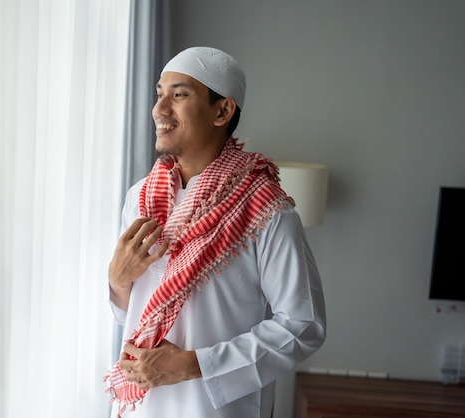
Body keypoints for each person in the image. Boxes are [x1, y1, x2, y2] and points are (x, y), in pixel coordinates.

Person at [105, 46, 326, 418]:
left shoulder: (268, 210)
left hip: (214, 407)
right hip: (141, 406)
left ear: (222, 110)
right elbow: (133, 313)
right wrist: (117, 281)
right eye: (159, 94)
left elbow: (303, 326)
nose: (160, 109)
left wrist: (195, 364)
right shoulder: (141, 196)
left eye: (179, 94)